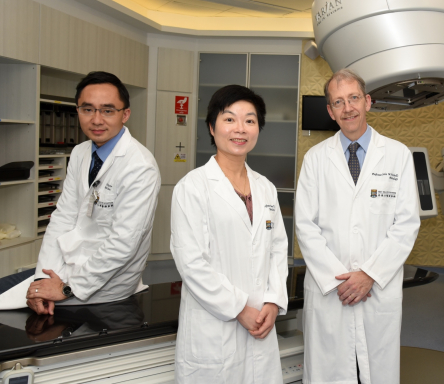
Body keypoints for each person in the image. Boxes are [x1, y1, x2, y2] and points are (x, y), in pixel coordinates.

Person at [295, 69, 421, 384]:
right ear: (330, 111)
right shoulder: (315, 159)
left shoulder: (397, 156)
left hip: (377, 286)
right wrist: (339, 280)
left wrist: (369, 275)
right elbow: (305, 226)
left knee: (377, 369)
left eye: (353, 98)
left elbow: (406, 224)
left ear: (367, 102)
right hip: (330, 287)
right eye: (338, 102)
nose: (347, 108)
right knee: (329, 370)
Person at [170, 85, 289, 383]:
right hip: (214, 327)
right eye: (229, 119)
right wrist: (239, 308)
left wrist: (273, 301)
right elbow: (191, 263)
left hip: (261, 319)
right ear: (212, 127)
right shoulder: (192, 187)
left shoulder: (266, 187)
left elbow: (277, 250)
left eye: (250, 120)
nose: (240, 129)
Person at [25, 71, 161, 314]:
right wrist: (41, 278)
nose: (97, 119)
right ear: (78, 111)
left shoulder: (140, 166)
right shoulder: (79, 153)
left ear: (125, 114)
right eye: (88, 109)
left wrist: (68, 288)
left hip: (108, 285)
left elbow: (123, 243)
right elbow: (64, 217)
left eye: (108, 110)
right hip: (68, 269)